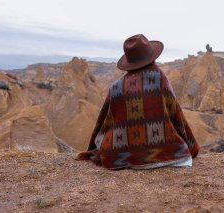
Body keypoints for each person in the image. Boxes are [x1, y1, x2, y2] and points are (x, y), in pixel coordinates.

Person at [77, 34, 199, 169]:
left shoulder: (116, 88)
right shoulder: (159, 78)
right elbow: (176, 114)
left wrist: (94, 146)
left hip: (120, 157)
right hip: (168, 156)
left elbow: (103, 123)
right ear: (151, 56)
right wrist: (190, 145)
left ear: (129, 62)